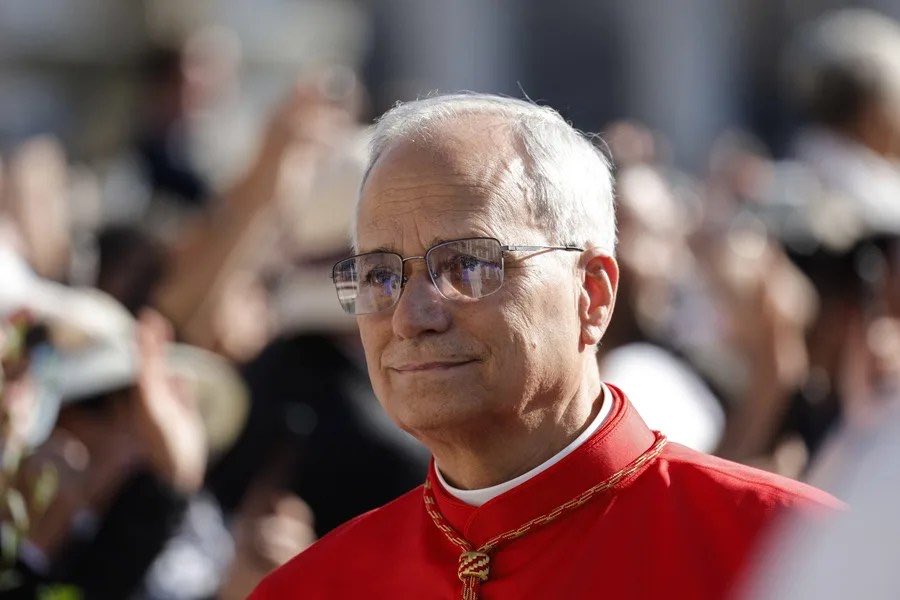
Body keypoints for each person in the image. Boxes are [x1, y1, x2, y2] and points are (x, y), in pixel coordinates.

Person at [251, 94, 840, 600]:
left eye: (467, 265)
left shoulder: (795, 552)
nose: (411, 317)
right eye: (380, 275)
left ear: (592, 294)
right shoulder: (310, 589)